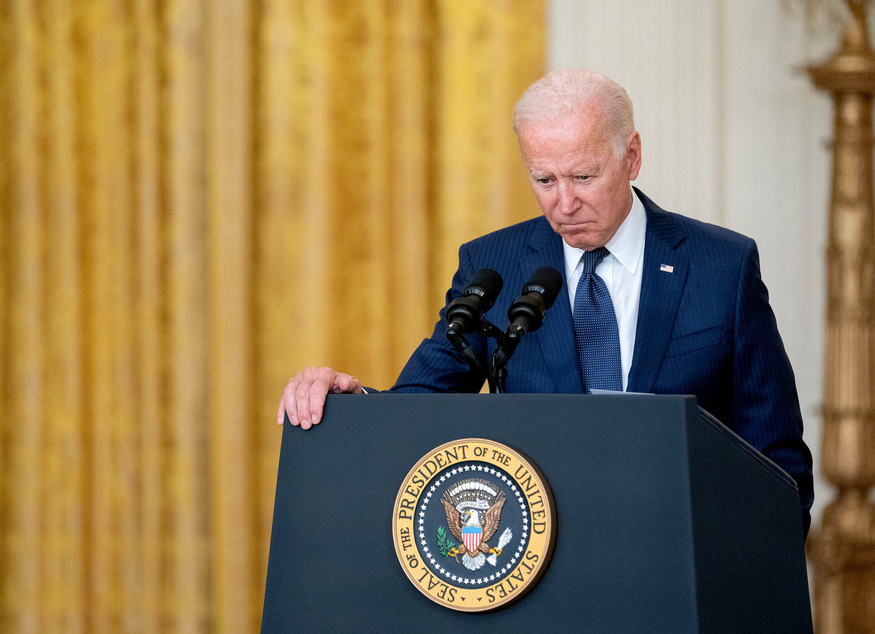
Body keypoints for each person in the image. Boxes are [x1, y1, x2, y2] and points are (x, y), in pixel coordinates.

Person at [276, 69, 813, 535]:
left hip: (682, 562)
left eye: (584, 176)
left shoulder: (721, 266)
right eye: (544, 180)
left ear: (631, 157)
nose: (565, 202)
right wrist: (352, 398)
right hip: (538, 567)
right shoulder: (496, 266)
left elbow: (778, 465)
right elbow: (420, 409)